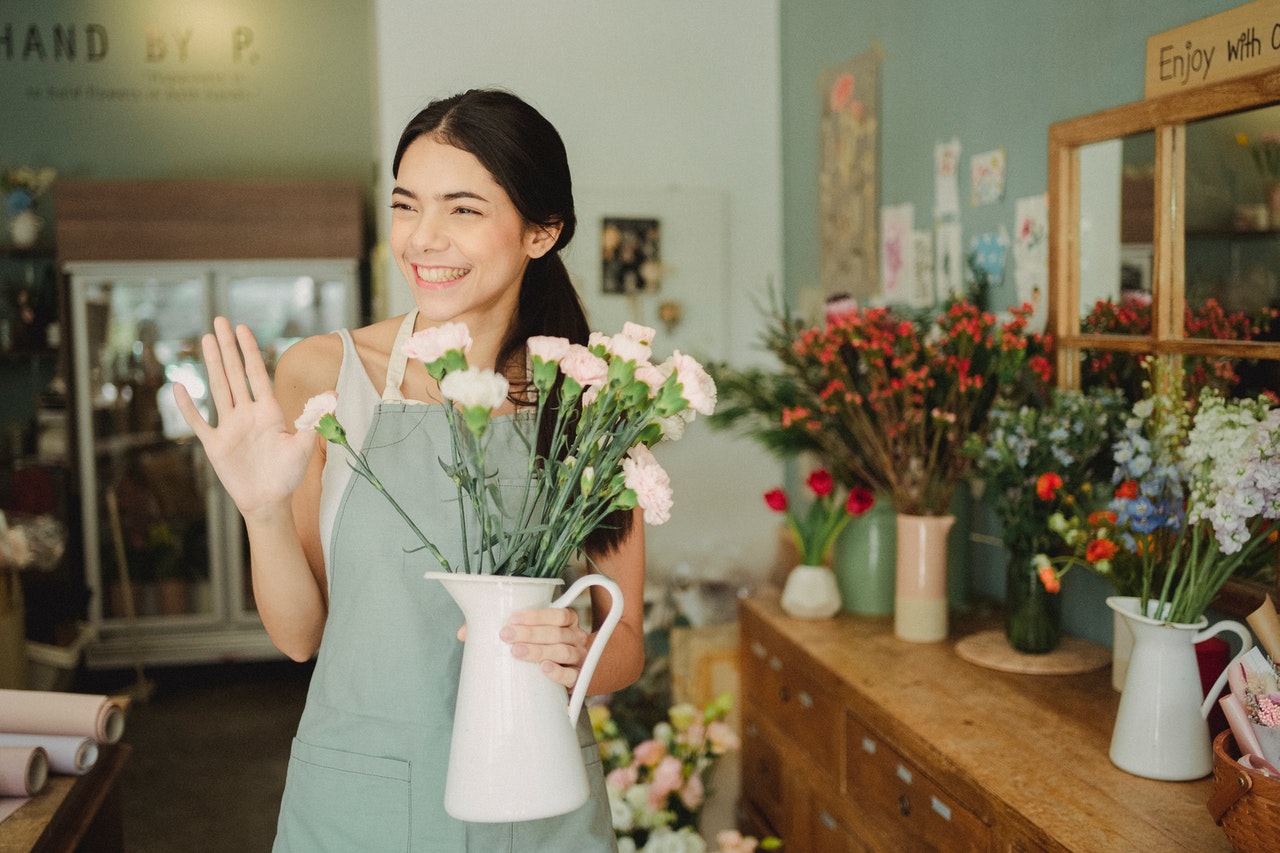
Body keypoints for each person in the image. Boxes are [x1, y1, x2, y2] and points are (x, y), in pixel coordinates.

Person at [173, 89, 645, 851]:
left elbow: (625, 648)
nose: (424, 238)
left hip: (538, 803)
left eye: (462, 209)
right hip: (359, 797)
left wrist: (574, 646)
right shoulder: (327, 372)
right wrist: (261, 512)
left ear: (541, 230)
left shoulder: (593, 395)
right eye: (406, 205)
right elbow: (301, 636)